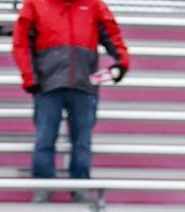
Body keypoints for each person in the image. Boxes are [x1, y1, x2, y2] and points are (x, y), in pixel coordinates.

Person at [13, 0, 129, 194]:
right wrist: (29, 77)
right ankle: (42, 188)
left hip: (83, 85)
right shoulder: (35, 4)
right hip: (47, 85)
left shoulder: (94, 5)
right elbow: (21, 41)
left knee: (82, 141)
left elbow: (112, 34)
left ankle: (81, 188)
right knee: (45, 139)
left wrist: (122, 62)